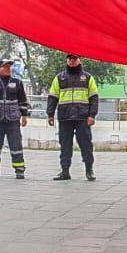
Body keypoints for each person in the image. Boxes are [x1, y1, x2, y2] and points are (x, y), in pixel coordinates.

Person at [48, 52, 99, 181]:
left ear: (79, 60)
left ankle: (89, 170)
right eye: (70, 59)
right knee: (65, 145)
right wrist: (50, 114)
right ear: (67, 61)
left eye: (75, 59)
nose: (72, 61)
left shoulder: (87, 77)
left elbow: (94, 98)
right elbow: (53, 97)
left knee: (86, 145)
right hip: (65, 117)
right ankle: (65, 171)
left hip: (83, 117)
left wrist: (92, 115)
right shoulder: (60, 78)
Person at [0, 58, 29, 178]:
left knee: (16, 145)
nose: (8, 69)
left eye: (9, 66)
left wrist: (24, 116)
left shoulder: (17, 82)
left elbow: (22, 100)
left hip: (13, 119)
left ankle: (19, 170)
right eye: (6, 66)